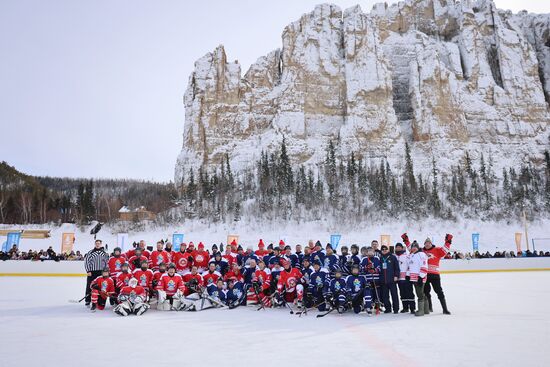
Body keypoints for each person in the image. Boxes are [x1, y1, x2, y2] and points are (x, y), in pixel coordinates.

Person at [422, 234, 452, 315]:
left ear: (431, 244)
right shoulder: (421, 251)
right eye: (425, 243)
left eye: (428, 243)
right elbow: (412, 250)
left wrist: (448, 241)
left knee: (439, 291)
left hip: (435, 275)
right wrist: (406, 240)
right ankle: (429, 307)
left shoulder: (437, 250)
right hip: (425, 275)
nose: (427, 244)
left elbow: (445, 250)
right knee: (426, 292)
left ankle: (445, 309)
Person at [84, 239, 109, 306]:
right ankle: (88, 300)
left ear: (101, 244)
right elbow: (86, 262)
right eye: (96, 243)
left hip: (101, 272)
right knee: (89, 285)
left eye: (99, 243)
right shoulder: (90, 252)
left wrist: (106, 271)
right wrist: (88, 271)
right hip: (92, 272)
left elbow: (107, 262)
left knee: (102, 286)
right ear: (95, 244)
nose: (97, 244)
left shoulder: (104, 253)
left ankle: (99, 300)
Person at [408, 241, 429, 316]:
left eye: (415, 247)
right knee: (421, 293)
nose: (413, 248)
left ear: (418, 247)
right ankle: (426, 310)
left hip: (419, 278)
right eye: (412, 247)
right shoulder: (412, 255)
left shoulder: (421, 255)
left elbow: (424, 266)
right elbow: (411, 266)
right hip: (414, 278)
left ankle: (421, 311)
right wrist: (408, 275)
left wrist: (421, 276)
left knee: (419, 294)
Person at [379, 245, 400, 314]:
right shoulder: (380, 258)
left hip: (392, 280)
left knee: (394, 295)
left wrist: (396, 275)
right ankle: (388, 308)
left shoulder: (392, 257)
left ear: (388, 250)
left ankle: (396, 309)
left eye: (385, 249)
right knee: (385, 296)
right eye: (383, 249)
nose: (384, 250)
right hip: (383, 280)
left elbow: (397, 267)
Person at [395, 241, 415, 313]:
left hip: (406, 278)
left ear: (402, 248)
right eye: (396, 247)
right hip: (399, 279)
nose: (398, 248)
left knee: (409, 293)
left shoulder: (407, 256)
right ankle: (405, 307)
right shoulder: (394, 256)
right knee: (402, 294)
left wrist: (408, 275)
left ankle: (412, 308)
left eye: (399, 247)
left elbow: (410, 266)